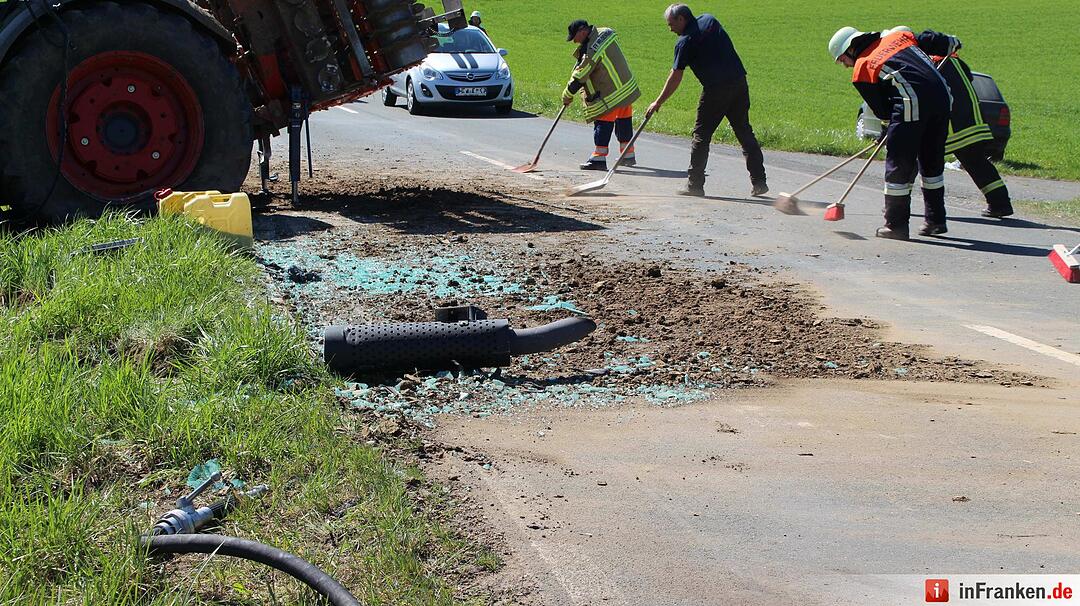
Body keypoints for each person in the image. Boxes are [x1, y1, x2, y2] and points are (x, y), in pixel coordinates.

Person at [829, 26, 952, 239]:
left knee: (898, 164)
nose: (844, 65)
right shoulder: (897, 37)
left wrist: (888, 129)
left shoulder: (863, 67)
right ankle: (936, 221)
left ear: (850, 50)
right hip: (943, 100)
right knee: (931, 162)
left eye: (841, 60)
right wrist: (890, 127)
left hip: (913, 104)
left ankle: (895, 225)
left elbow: (882, 109)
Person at [646, 4, 767, 197]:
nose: (670, 29)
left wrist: (658, 101)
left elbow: (675, 76)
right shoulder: (709, 20)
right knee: (744, 130)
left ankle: (694, 185)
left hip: (716, 90)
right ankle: (759, 181)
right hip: (739, 82)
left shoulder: (685, 42)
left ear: (681, 19)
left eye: (671, 24)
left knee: (701, 136)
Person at [893, 27, 1013, 218]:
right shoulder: (953, 61)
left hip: (948, 119)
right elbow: (970, 78)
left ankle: (897, 205)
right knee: (974, 159)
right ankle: (1000, 203)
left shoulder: (923, 63)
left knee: (914, 156)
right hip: (970, 116)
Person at [563, 19, 641, 171]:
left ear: (583, 31)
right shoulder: (605, 32)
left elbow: (582, 74)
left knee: (603, 123)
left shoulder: (592, 48)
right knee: (624, 121)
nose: (574, 42)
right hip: (625, 88)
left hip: (611, 94)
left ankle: (599, 158)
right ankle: (628, 155)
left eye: (575, 37)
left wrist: (567, 93)